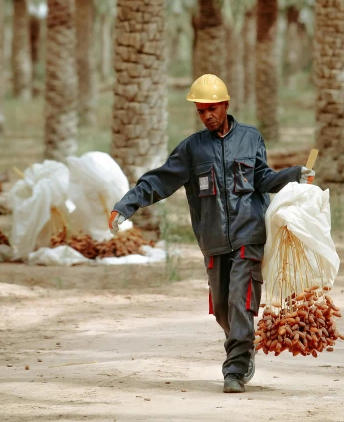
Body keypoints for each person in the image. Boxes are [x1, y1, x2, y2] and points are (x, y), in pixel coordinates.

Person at [108, 74, 315, 394]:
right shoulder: (192, 149)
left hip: (249, 234)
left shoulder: (250, 138)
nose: (207, 116)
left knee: (240, 301)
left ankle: (235, 368)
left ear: (226, 105)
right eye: (201, 111)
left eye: (212, 109)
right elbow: (159, 181)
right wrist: (126, 206)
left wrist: (295, 176)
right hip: (213, 240)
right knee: (222, 308)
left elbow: (263, 178)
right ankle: (242, 347)